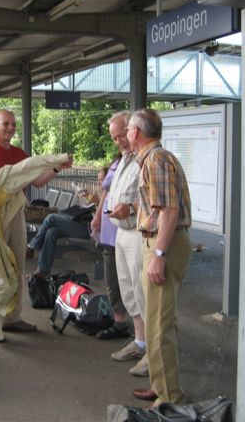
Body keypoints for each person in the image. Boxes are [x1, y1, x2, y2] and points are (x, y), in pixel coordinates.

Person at [0, 109, 71, 342]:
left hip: (16, 211)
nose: (10, 128)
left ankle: (12, 317)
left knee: (16, 262)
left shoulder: (19, 153)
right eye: (5, 124)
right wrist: (19, 172)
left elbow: (36, 180)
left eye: (13, 124)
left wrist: (56, 167)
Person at [127, 108, 193, 406]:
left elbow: (169, 211)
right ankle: (161, 384)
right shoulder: (155, 159)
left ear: (135, 132)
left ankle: (169, 398)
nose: (126, 134)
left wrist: (159, 254)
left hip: (164, 243)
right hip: (159, 242)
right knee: (158, 319)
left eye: (128, 129)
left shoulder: (156, 160)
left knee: (158, 325)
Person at [104, 110, 148, 378]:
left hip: (137, 232)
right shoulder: (124, 159)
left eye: (122, 134)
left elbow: (155, 199)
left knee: (142, 292)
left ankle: (152, 352)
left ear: (134, 130)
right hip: (121, 232)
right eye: (114, 137)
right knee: (129, 290)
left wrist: (129, 209)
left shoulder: (146, 159)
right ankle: (139, 342)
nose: (119, 140)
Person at [26, 167, 107, 278]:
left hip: (91, 231)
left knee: (51, 218)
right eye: (98, 180)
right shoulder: (99, 193)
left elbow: (103, 217)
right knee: (52, 232)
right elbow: (88, 210)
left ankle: (32, 246)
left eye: (101, 179)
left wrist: (97, 203)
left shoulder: (109, 195)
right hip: (84, 224)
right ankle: (42, 270)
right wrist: (86, 200)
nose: (98, 183)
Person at [90, 154, 131, 341]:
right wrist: (98, 216)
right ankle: (119, 321)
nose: (120, 141)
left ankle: (140, 329)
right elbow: (106, 192)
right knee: (112, 278)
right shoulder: (116, 163)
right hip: (109, 230)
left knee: (130, 281)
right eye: (115, 139)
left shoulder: (138, 162)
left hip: (126, 230)